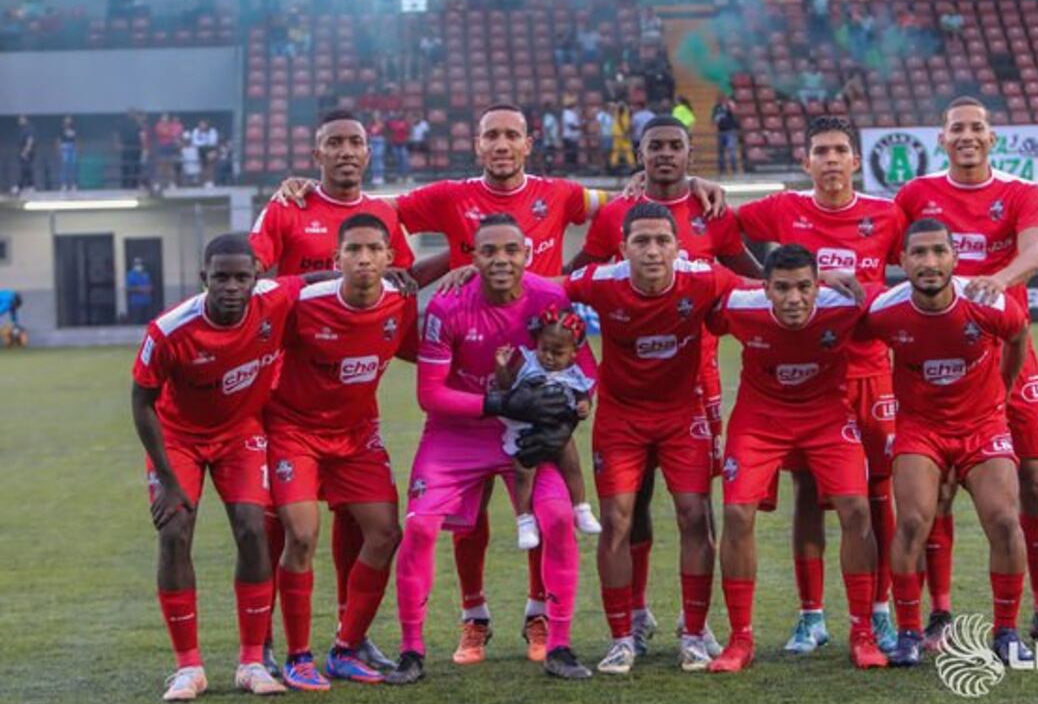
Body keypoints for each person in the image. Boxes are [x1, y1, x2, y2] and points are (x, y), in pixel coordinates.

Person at [270, 106, 726, 665]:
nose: (502, 143)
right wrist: (309, 190)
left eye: (512, 134)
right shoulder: (446, 202)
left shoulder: (559, 195)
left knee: (557, 515)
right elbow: (367, 215)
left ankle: (545, 624)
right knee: (458, 521)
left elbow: (622, 201)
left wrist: (685, 180)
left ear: (529, 143)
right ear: (477, 144)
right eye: (492, 135)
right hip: (467, 404)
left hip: (539, 395)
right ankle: (471, 619)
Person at [567, 116, 761, 658]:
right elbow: (565, 280)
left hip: (697, 383)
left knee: (696, 508)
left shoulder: (710, 211)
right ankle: (631, 618)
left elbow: (755, 282)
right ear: (641, 153)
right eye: (656, 146)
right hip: (627, 396)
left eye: (676, 145)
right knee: (632, 506)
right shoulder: (614, 215)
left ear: (690, 153)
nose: (667, 154)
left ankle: (694, 626)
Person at [893, 96, 1038, 649]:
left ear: (993, 138)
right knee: (936, 492)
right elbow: (879, 243)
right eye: (957, 128)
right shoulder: (916, 195)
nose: (967, 136)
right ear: (941, 138)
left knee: (1034, 483)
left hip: (1007, 354)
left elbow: (1037, 251)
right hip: (937, 361)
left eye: (977, 127)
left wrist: (997, 279)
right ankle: (940, 616)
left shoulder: (1020, 193)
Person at [726, 115, 906, 655]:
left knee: (874, 496)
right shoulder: (783, 208)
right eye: (820, 151)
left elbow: (921, 265)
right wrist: (766, 277)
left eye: (840, 150)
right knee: (807, 492)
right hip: (804, 375)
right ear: (806, 162)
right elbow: (721, 228)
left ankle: (878, 615)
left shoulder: (887, 214)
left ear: (856, 161)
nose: (830, 159)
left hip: (868, 373)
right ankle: (811, 616)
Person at [250, 109, 422, 676]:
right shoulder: (289, 206)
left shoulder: (382, 217)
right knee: (287, 531)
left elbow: (405, 290)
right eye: (334, 143)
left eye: (356, 142)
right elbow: (250, 276)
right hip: (289, 400)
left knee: (368, 528)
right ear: (316, 152)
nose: (346, 151)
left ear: (369, 151)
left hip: (354, 417)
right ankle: (274, 646)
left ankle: (349, 640)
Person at [393, 214, 593, 683]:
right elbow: (431, 394)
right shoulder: (447, 306)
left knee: (559, 518)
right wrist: (497, 400)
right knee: (420, 527)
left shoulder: (551, 298)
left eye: (510, 250)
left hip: (523, 433)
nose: (500, 260)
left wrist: (568, 416)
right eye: (488, 251)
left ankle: (559, 643)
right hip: (457, 432)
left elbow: (583, 366)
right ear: (473, 257)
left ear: (526, 253)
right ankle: (411, 650)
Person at [130, 232, 298, 701]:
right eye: (220, 276)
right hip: (178, 438)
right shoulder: (168, 330)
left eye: (240, 277)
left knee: (251, 528)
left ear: (256, 278)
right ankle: (188, 668)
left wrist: (388, 276)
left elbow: (323, 280)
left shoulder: (275, 299)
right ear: (203, 277)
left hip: (240, 433)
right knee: (175, 531)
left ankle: (251, 662)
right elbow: (141, 402)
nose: (230, 286)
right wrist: (165, 479)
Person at [707, 245, 889, 672]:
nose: (794, 298)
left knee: (856, 509)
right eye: (783, 288)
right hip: (760, 419)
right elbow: (705, 292)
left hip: (827, 416)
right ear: (765, 289)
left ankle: (862, 632)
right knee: (736, 513)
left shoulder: (845, 302)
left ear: (817, 285)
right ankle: (740, 639)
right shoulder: (739, 305)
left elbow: (911, 293)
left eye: (805, 287)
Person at [862, 218, 1033, 667]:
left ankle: (1007, 631)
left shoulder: (986, 301)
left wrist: (1004, 390)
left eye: (939, 251)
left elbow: (1017, 335)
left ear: (955, 258)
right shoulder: (885, 310)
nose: (930, 262)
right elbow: (851, 334)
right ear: (902, 261)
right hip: (921, 428)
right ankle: (909, 634)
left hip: (983, 425)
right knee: (914, 522)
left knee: (1003, 520)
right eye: (918, 253)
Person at [269, 213, 418, 691]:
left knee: (385, 532)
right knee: (302, 536)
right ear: (336, 259)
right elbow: (253, 304)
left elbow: (428, 300)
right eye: (353, 250)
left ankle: (345, 648)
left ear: (390, 258)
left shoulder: (401, 302)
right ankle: (297, 657)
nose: (364, 258)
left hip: (356, 435)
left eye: (374, 249)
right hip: (295, 430)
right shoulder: (303, 302)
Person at [492, 307, 601, 549]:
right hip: (524, 429)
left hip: (556, 429)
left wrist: (584, 405)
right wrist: (501, 366)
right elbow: (506, 387)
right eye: (544, 349)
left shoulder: (572, 372)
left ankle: (581, 507)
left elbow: (582, 393)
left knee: (572, 462)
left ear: (573, 353)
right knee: (523, 472)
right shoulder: (527, 362)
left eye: (557, 352)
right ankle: (524, 520)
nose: (549, 357)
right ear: (536, 343)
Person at [711, 96, 740, 176]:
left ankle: (735, 171)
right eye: (721, 98)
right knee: (721, 153)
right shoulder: (717, 108)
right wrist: (716, 120)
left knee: (732, 152)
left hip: (730, 131)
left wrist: (730, 106)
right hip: (721, 132)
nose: (723, 100)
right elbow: (713, 119)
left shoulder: (730, 105)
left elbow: (735, 115)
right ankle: (722, 172)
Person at [191, 120, 219, 187]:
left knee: (210, 160)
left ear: (207, 125)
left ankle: (210, 181)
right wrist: (204, 143)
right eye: (201, 124)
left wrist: (202, 143)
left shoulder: (212, 131)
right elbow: (194, 142)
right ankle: (202, 181)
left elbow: (213, 142)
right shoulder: (196, 131)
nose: (202, 126)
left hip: (210, 149)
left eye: (204, 124)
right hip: (199, 150)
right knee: (200, 164)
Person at [126, 257, 154, 324]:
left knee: (147, 322)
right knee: (137, 321)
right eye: (137, 264)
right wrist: (140, 289)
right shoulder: (131, 275)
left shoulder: (146, 274)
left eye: (140, 263)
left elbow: (150, 285)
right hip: (136, 303)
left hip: (147, 301)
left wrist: (150, 288)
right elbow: (129, 288)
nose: (139, 265)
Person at [610, 102, 635, 173]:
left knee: (617, 150)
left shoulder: (619, 111)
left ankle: (613, 165)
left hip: (618, 134)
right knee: (626, 150)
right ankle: (631, 165)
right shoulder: (622, 111)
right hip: (621, 134)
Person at [15, 115, 35, 194]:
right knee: (26, 169)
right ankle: (29, 186)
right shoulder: (22, 129)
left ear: (25, 119)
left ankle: (22, 186)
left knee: (25, 169)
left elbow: (30, 141)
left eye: (20, 119)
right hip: (22, 152)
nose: (19, 121)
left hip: (27, 153)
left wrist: (25, 152)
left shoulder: (28, 128)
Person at [561, 99, 582, 170]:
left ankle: (573, 170)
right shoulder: (567, 113)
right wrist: (581, 127)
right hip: (569, 137)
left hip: (574, 137)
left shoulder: (573, 113)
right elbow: (571, 126)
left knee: (574, 155)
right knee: (570, 155)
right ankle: (569, 170)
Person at [58, 116, 77, 191]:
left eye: (69, 118)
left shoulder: (74, 128)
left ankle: (73, 184)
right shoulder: (61, 128)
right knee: (64, 166)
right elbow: (58, 139)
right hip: (64, 146)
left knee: (72, 166)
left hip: (72, 146)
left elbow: (75, 139)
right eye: (67, 118)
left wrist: (76, 148)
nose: (68, 120)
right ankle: (64, 184)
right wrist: (60, 149)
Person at [367, 111, 387, 186]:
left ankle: (380, 176)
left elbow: (383, 130)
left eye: (377, 115)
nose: (376, 116)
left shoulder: (381, 123)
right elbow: (368, 132)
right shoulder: (370, 124)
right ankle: (375, 177)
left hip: (379, 140)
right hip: (373, 140)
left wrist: (379, 125)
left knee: (379, 158)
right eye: (374, 115)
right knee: (374, 159)